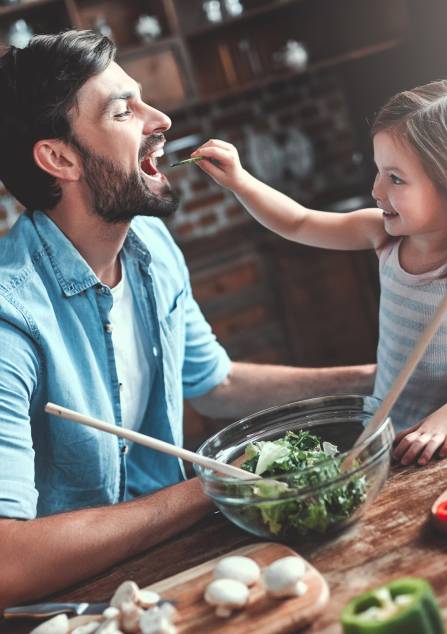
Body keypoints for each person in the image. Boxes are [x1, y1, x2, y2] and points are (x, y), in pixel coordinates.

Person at [0, 30, 374, 607]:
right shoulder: (9, 319)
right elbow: (8, 564)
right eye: (123, 110)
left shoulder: (147, 241)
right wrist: (215, 483)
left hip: (166, 567)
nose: (161, 119)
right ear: (59, 158)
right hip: (69, 608)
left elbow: (215, 382)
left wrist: (378, 381)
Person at [194, 79, 447, 471]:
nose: (376, 189)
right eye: (378, 171)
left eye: (395, 178)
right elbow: (298, 222)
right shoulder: (382, 235)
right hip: (388, 439)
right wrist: (240, 181)